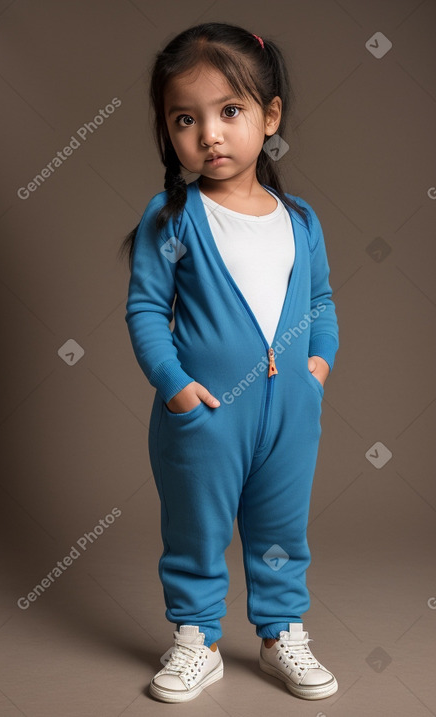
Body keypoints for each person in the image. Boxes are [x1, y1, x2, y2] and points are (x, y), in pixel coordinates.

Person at [120, 21, 339, 704]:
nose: (209, 134)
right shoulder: (174, 219)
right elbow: (147, 310)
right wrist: (177, 387)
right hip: (207, 416)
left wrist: (318, 370)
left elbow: (323, 302)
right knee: (197, 530)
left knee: (280, 530)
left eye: (230, 112)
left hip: (290, 417)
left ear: (270, 118)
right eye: (186, 119)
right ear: (168, 128)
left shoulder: (300, 220)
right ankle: (195, 638)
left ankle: (282, 634)